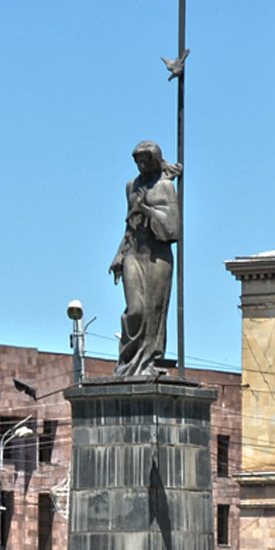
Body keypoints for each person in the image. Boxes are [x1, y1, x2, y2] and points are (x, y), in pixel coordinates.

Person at [109, 140, 182, 377]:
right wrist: (119, 254)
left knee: (154, 311)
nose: (141, 165)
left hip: (157, 256)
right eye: (137, 161)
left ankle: (150, 360)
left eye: (145, 160)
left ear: (153, 161)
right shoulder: (131, 186)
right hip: (134, 253)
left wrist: (146, 210)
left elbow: (173, 229)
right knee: (136, 310)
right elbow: (129, 224)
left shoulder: (165, 187)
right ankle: (128, 362)